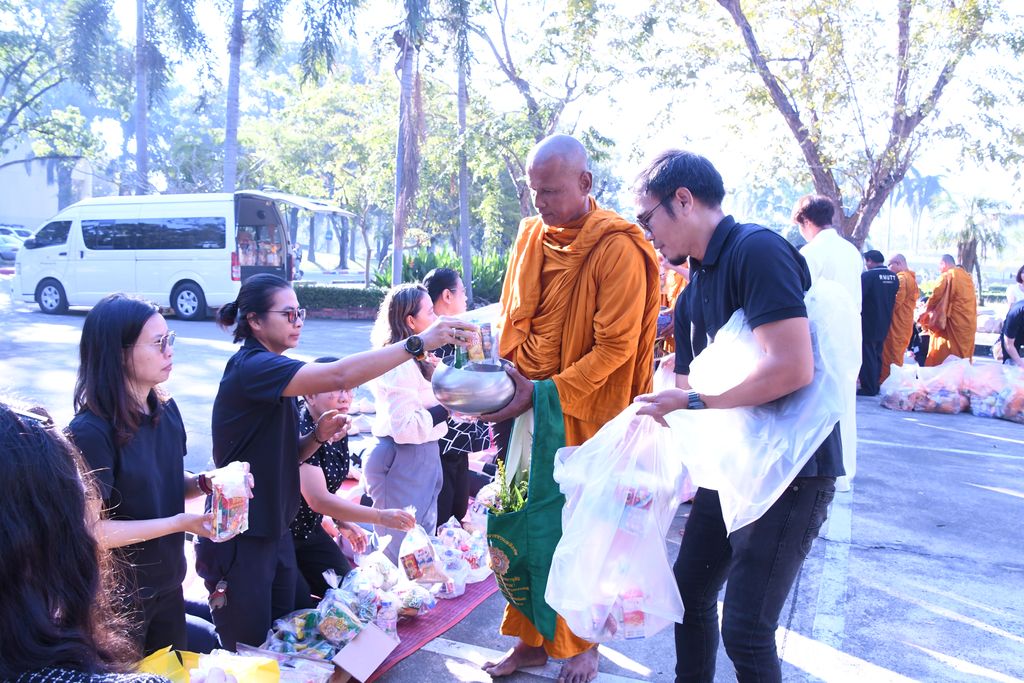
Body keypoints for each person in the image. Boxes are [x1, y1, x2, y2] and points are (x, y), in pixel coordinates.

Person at [631, 150, 842, 683]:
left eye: (646, 217)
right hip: (736, 465)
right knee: (689, 591)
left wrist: (694, 403)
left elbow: (793, 367)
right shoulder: (691, 291)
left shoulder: (756, 251)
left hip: (793, 472)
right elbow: (686, 389)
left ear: (683, 199)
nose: (646, 232)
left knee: (746, 628)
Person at [194, 273, 474, 649]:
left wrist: (315, 438)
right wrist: (418, 343)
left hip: (275, 530)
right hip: (244, 534)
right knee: (249, 647)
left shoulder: (272, 370)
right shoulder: (252, 367)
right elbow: (340, 372)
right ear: (255, 321)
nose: (298, 322)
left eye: (300, 313)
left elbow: (282, 456)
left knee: (292, 636)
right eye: (288, 314)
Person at [480, 134, 660, 683]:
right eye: (534, 192)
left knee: (582, 537)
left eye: (552, 191)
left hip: (587, 418)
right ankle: (532, 639)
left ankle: (583, 645)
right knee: (521, 525)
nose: (540, 203)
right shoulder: (532, 235)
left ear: (585, 184)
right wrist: (506, 383)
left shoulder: (619, 248)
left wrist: (542, 392)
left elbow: (615, 349)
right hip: (530, 408)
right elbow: (514, 322)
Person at [67, 294, 220, 655]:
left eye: (170, 339)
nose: (169, 350)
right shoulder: (90, 431)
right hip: (117, 602)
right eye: (158, 342)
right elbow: (93, 532)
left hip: (168, 584)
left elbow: (162, 483)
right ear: (119, 353)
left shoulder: (165, 408)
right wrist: (180, 523)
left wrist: (203, 482)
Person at [291, 358, 416, 608]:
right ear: (310, 396)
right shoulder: (302, 429)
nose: (344, 397)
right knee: (298, 606)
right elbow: (318, 499)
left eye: (348, 390)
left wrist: (342, 521)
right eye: (335, 390)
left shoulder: (339, 425)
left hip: (309, 529)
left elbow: (324, 493)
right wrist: (380, 517)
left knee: (350, 593)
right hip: (283, 534)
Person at [365, 284, 451, 563]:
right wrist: (448, 407)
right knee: (398, 552)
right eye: (430, 312)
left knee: (419, 546)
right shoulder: (398, 362)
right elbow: (405, 427)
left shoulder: (418, 357)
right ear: (410, 322)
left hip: (423, 455)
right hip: (402, 458)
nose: (437, 318)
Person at [792, 194, 861, 489]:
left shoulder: (811, 252)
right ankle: (845, 470)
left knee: (820, 404)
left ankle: (826, 470)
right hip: (850, 334)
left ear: (805, 221)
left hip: (822, 336)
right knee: (844, 401)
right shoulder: (851, 251)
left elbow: (801, 298)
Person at [423, 267, 492, 528]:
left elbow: (482, 370)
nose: (466, 299)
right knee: (442, 507)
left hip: (459, 440)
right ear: (447, 296)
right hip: (438, 436)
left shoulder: (465, 331)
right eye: (462, 291)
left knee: (459, 504)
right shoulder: (429, 338)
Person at [918, 254, 978, 366]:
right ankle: (962, 378)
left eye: (939, 266)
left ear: (943, 264)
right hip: (968, 324)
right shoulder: (967, 277)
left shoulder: (947, 276)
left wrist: (924, 312)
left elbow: (935, 296)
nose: (939, 269)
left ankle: (942, 379)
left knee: (944, 353)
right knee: (962, 356)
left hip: (952, 324)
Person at [859, 250, 900, 396]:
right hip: (885, 320)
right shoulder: (894, 277)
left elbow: (859, 298)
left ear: (869, 261)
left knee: (867, 353)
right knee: (877, 353)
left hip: (869, 320)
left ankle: (868, 387)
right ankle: (875, 385)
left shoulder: (868, 276)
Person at [881, 254, 921, 381]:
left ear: (897, 264)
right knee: (895, 356)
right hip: (904, 325)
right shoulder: (911, 278)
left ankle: (888, 382)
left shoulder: (902, 279)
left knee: (891, 357)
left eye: (889, 265)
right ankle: (890, 380)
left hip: (897, 326)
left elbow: (896, 302)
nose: (888, 268)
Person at [1000, 299, 1024, 367]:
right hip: (1015, 334)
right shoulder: (1015, 314)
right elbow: (1008, 344)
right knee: (1010, 363)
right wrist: (1021, 364)